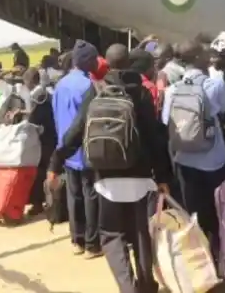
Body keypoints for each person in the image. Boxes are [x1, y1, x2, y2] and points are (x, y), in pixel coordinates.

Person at [48, 43, 172, 293]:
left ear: (106, 63)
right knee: (141, 236)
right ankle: (147, 284)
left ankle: (128, 287)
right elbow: (154, 137)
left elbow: (75, 132)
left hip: (106, 179)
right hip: (140, 177)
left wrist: (55, 162)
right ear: (129, 63)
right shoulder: (141, 92)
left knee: (112, 235)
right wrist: (163, 176)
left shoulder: (96, 90)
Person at [161, 40, 225, 264]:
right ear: (198, 58)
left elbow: (165, 121)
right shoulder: (215, 84)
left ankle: (203, 264)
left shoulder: (172, 90)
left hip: (184, 159)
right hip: (214, 159)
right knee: (219, 214)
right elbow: (221, 111)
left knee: (194, 214)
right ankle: (222, 262)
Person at [52, 39, 101, 258]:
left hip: (66, 149)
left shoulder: (60, 84)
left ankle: (77, 240)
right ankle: (92, 244)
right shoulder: (87, 86)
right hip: (84, 149)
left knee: (74, 196)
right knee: (90, 194)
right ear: (86, 62)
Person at [22, 67, 57, 215]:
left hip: (43, 139)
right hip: (53, 136)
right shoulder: (49, 92)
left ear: (31, 81)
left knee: (39, 171)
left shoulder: (36, 95)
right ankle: (52, 202)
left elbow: (34, 119)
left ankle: (38, 204)